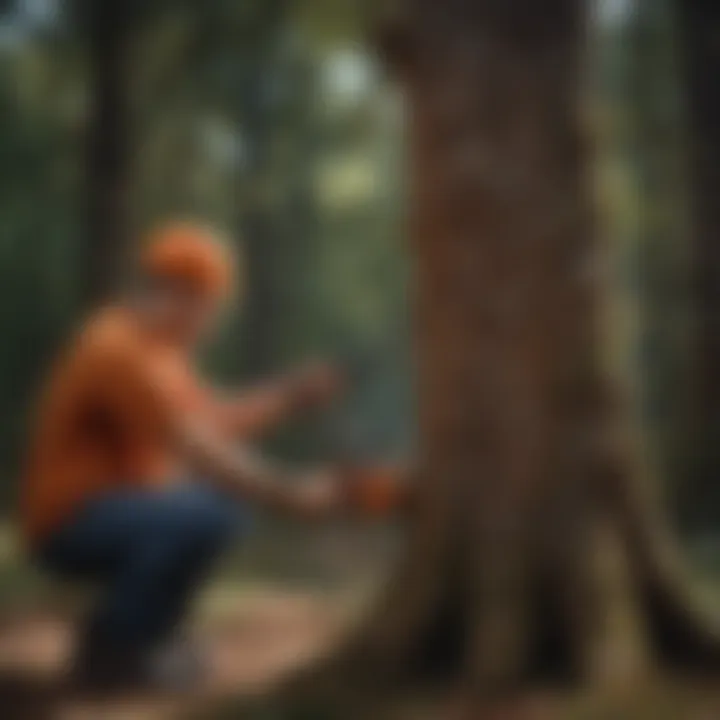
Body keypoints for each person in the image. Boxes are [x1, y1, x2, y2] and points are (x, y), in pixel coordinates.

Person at [20, 221, 347, 691]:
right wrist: (288, 492)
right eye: (211, 309)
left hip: (116, 510)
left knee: (208, 512)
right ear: (182, 294)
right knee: (206, 516)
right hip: (69, 522)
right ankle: (114, 649)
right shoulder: (117, 350)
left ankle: (144, 639)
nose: (211, 323)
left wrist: (291, 396)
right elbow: (195, 445)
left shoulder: (160, 351)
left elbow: (211, 421)